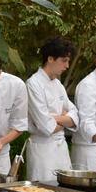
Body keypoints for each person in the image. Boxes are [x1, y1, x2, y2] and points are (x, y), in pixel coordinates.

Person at [26, 37, 79, 181]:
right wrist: (64, 120)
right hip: (42, 151)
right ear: (50, 59)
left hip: (61, 149)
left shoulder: (58, 85)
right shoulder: (33, 84)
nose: (67, 66)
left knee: (66, 191)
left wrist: (54, 118)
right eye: (64, 60)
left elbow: (76, 116)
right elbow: (45, 126)